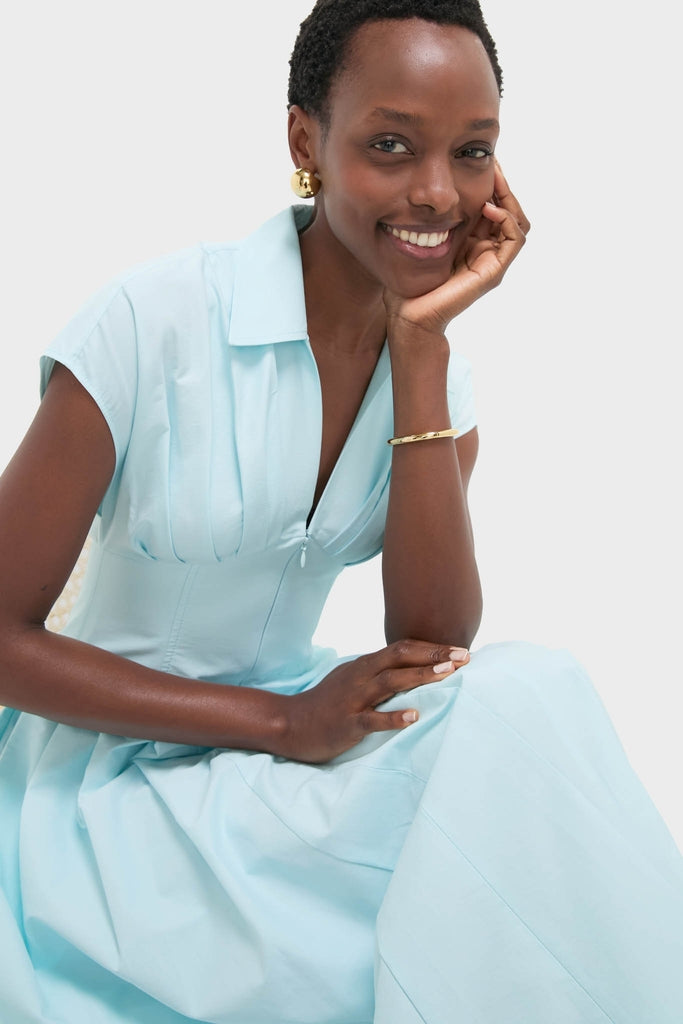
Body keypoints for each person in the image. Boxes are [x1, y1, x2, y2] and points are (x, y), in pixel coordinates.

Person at [0, 0, 681, 1021]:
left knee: (527, 694)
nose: (436, 193)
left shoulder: (437, 376)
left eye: (472, 152)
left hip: (291, 751)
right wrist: (275, 720)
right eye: (390, 146)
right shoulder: (154, 323)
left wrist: (421, 350)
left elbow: (433, 641)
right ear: (304, 141)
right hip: (103, 785)